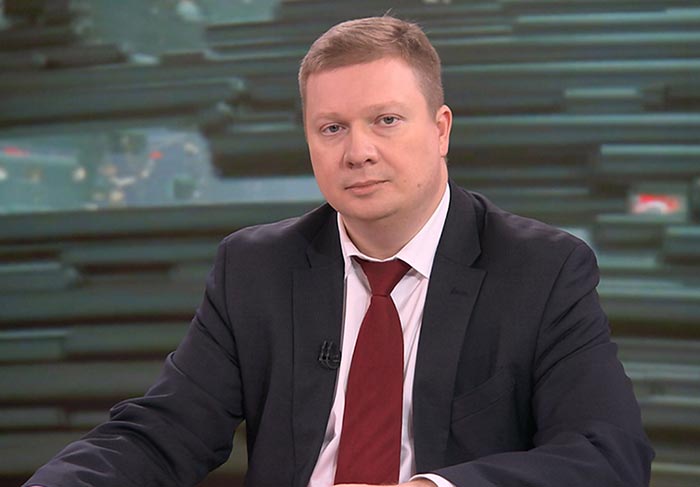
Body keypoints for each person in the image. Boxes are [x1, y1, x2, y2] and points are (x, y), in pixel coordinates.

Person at [24, 16, 654, 487]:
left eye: (386, 120)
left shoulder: (542, 270)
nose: (358, 152)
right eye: (332, 128)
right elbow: (165, 431)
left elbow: (607, 454)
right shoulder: (255, 269)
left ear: (440, 130)